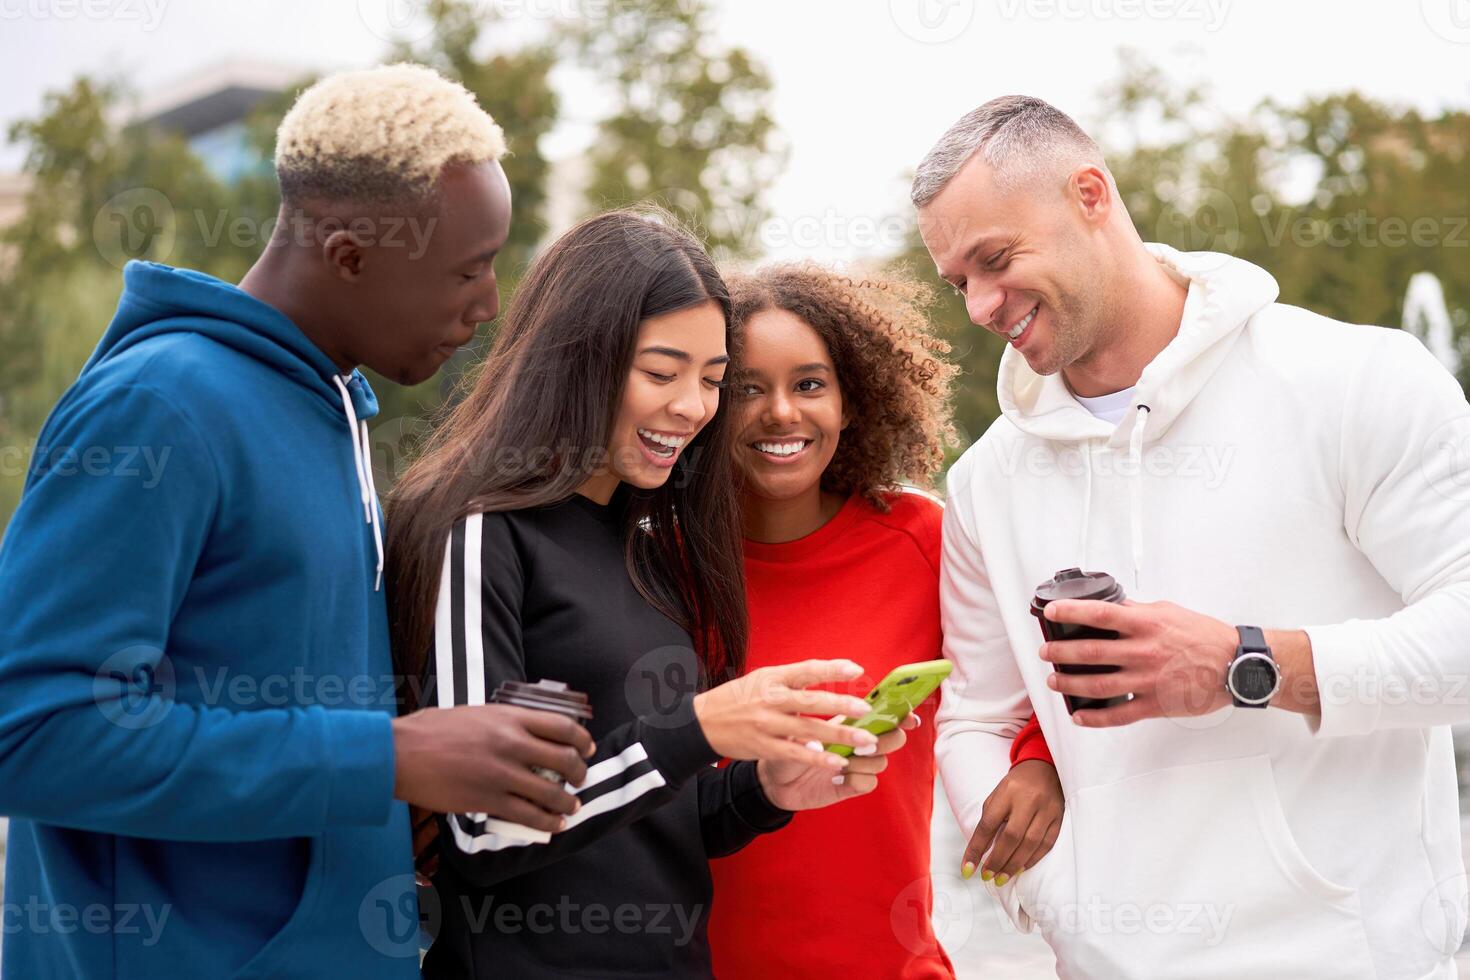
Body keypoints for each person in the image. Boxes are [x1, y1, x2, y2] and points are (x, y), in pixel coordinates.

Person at [0, 63, 596, 978]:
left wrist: (424, 784)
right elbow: (33, 731)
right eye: (469, 269)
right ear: (350, 254)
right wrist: (386, 760)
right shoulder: (161, 407)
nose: (486, 305)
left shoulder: (327, 406)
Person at [913, 94, 1470, 979]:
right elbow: (977, 716)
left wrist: (1242, 663)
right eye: (958, 282)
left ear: (1090, 195)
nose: (981, 304)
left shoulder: (1357, 382)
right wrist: (1059, 903)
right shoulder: (988, 480)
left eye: (996, 259)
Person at [388, 210, 916, 979]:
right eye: (662, 373)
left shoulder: (644, 543)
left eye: (710, 381)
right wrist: (698, 729)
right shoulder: (482, 532)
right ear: (579, 359)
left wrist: (764, 789)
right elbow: (487, 830)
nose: (693, 408)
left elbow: (646, 816)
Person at [705, 263, 1064, 979]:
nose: (782, 412)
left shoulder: (925, 538)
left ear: (852, 400)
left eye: (809, 384)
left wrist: (1040, 762)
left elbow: (1047, 669)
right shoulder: (660, 565)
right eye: (747, 387)